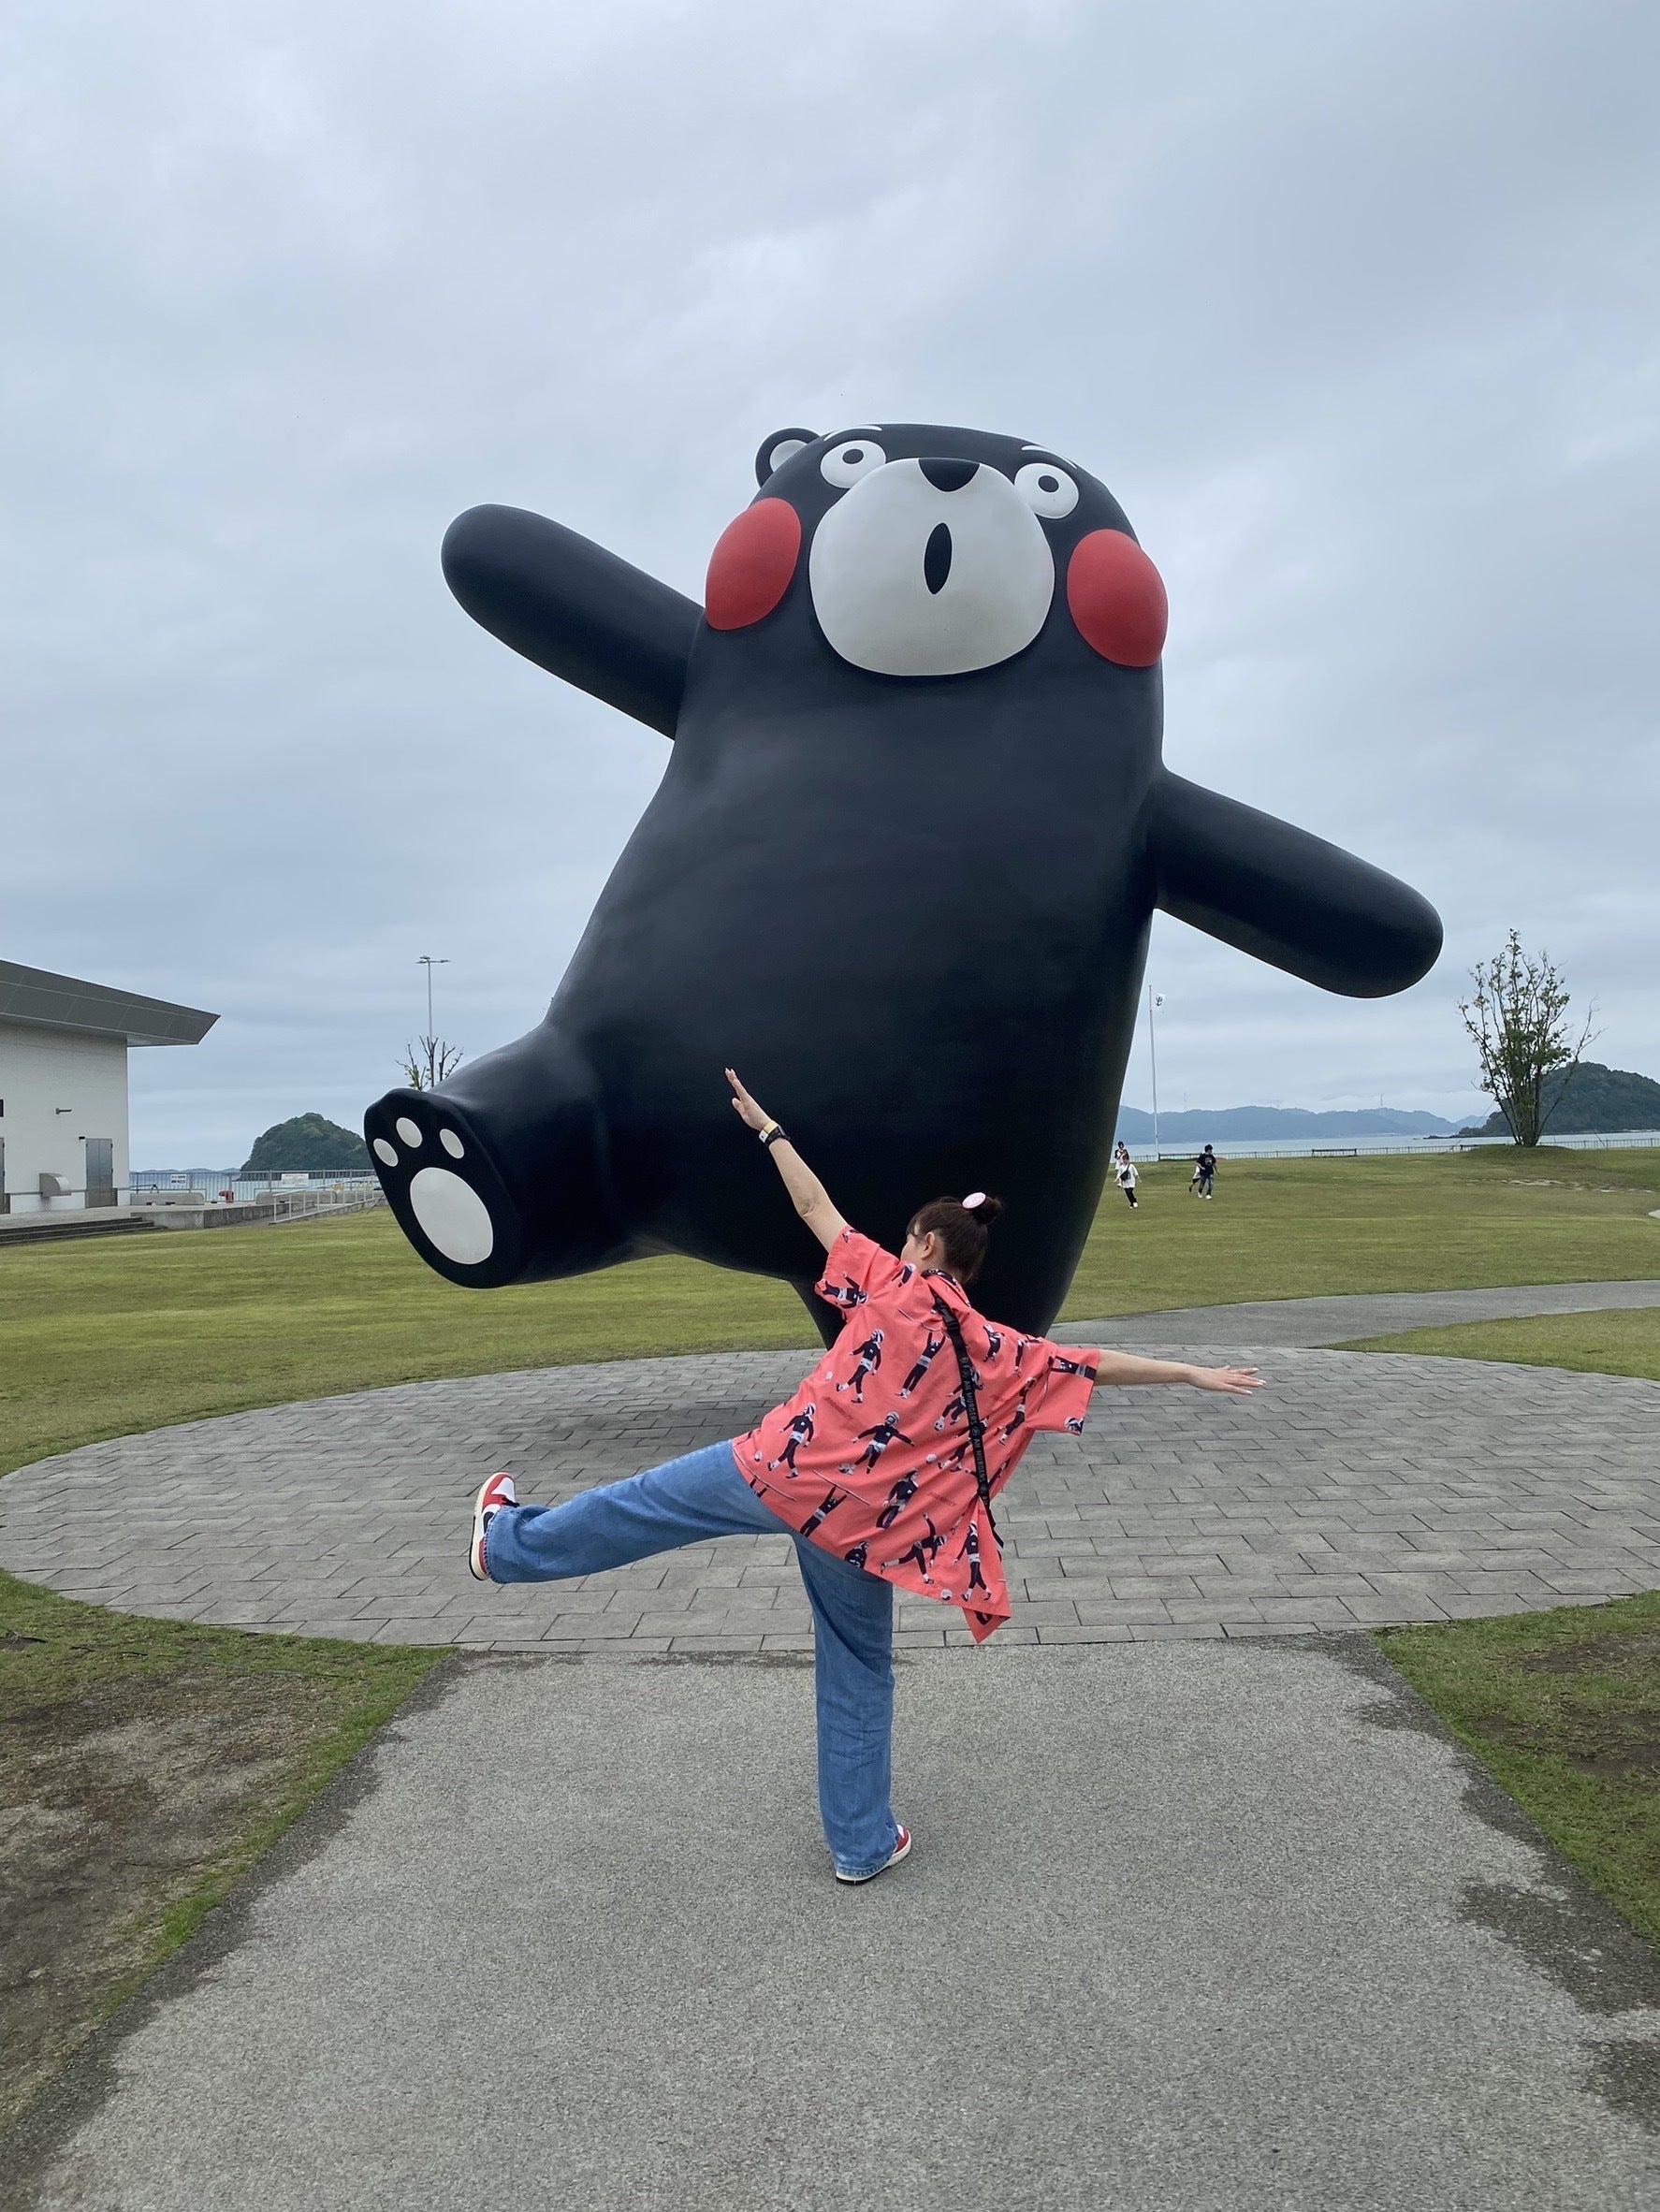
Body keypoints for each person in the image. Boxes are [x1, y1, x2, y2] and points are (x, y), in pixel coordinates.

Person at [468, 1070, 1262, 1885]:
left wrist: (771, 1132)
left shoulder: (891, 1283)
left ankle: (505, 1547)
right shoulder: (997, 1347)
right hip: (864, 1529)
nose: (903, 1245)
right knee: (857, 1671)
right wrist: (1191, 1374)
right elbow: (1091, 1363)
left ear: (927, 1245)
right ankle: (860, 1845)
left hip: (777, 1469)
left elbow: (814, 1206)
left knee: (636, 1510)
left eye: (910, 1236)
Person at [1113, 1141, 1139, 1209]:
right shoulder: (1117, 1151)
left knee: (1130, 1192)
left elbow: (1135, 1171)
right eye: (1120, 1145)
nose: (1125, 1160)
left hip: (1131, 1181)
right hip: (1124, 1179)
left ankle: (1134, 1201)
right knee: (1127, 1193)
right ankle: (1132, 1203)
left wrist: (1137, 1177)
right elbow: (1119, 1172)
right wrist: (1116, 1178)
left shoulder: (1131, 1165)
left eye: (1126, 1159)